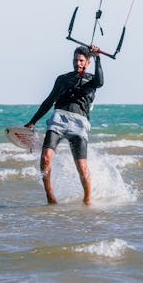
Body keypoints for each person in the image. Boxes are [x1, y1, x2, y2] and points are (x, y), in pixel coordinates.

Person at [24, 45, 103, 205]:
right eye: (75, 60)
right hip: (58, 119)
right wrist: (33, 121)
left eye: (81, 60)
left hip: (79, 123)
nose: (77, 63)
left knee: (82, 167)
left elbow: (100, 81)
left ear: (87, 62)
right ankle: (50, 196)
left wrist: (98, 57)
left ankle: (87, 200)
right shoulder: (62, 79)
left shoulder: (92, 80)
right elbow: (48, 101)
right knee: (45, 158)